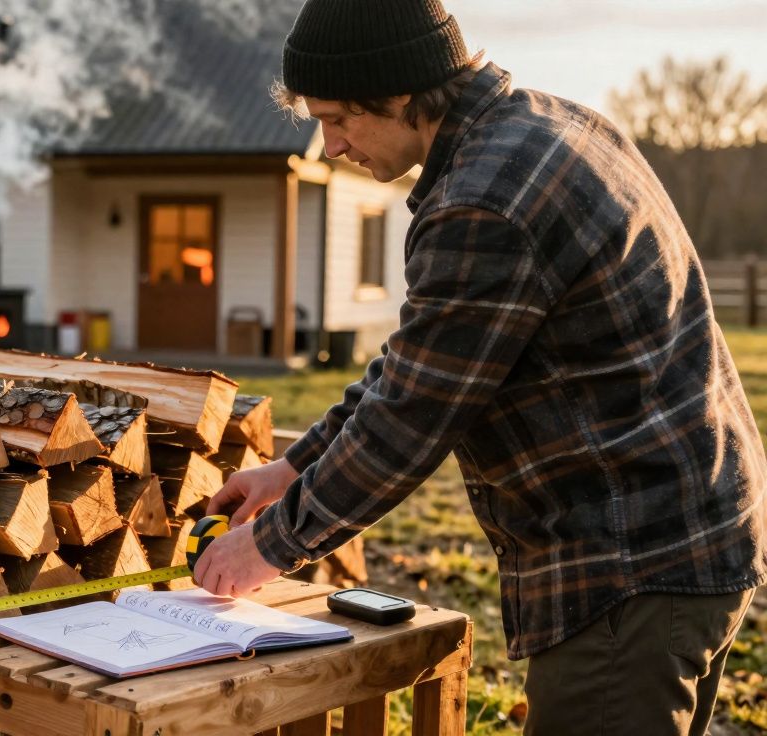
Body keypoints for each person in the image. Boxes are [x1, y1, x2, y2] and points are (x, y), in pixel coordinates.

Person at [194, 1, 767, 733]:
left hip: (631, 565)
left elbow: (409, 421)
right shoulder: (550, 124)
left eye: (339, 119)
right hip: (693, 528)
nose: (330, 145)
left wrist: (269, 548)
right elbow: (420, 363)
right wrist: (293, 467)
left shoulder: (485, 201)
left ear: (400, 93)